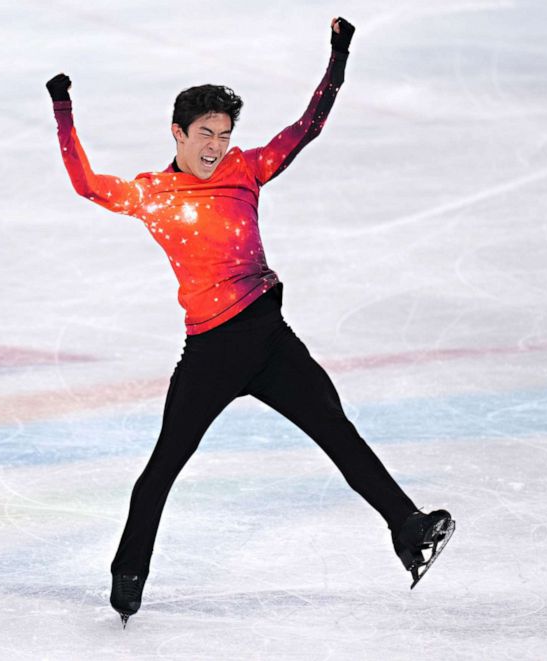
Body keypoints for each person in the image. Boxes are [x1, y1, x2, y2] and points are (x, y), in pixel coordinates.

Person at [46, 17, 454, 628]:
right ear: (178, 132)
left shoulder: (246, 169)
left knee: (337, 430)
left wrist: (337, 58)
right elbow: (84, 184)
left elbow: (306, 128)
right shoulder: (153, 193)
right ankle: (128, 577)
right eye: (205, 133)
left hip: (270, 341)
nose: (215, 144)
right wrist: (63, 107)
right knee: (163, 467)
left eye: (224, 133)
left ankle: (409, 529)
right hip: (211, 352)